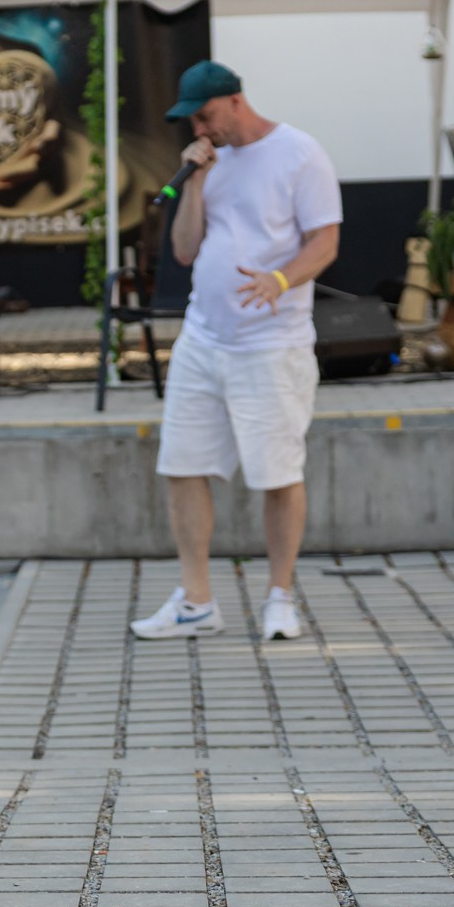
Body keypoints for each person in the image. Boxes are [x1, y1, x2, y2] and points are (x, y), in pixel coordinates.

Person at [130, 60, 342, 642]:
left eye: (205, 116)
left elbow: (325, 242)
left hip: (271, 344)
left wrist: (280, 280)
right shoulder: (208, 164)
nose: (200, 129)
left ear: (235, 101)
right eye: (192, 122)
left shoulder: (299, 153)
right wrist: (195, 182)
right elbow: (183, 250)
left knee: (278, 475)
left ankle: (280, 597)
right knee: (182, 465)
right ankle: (196, 602)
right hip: (203, 337)